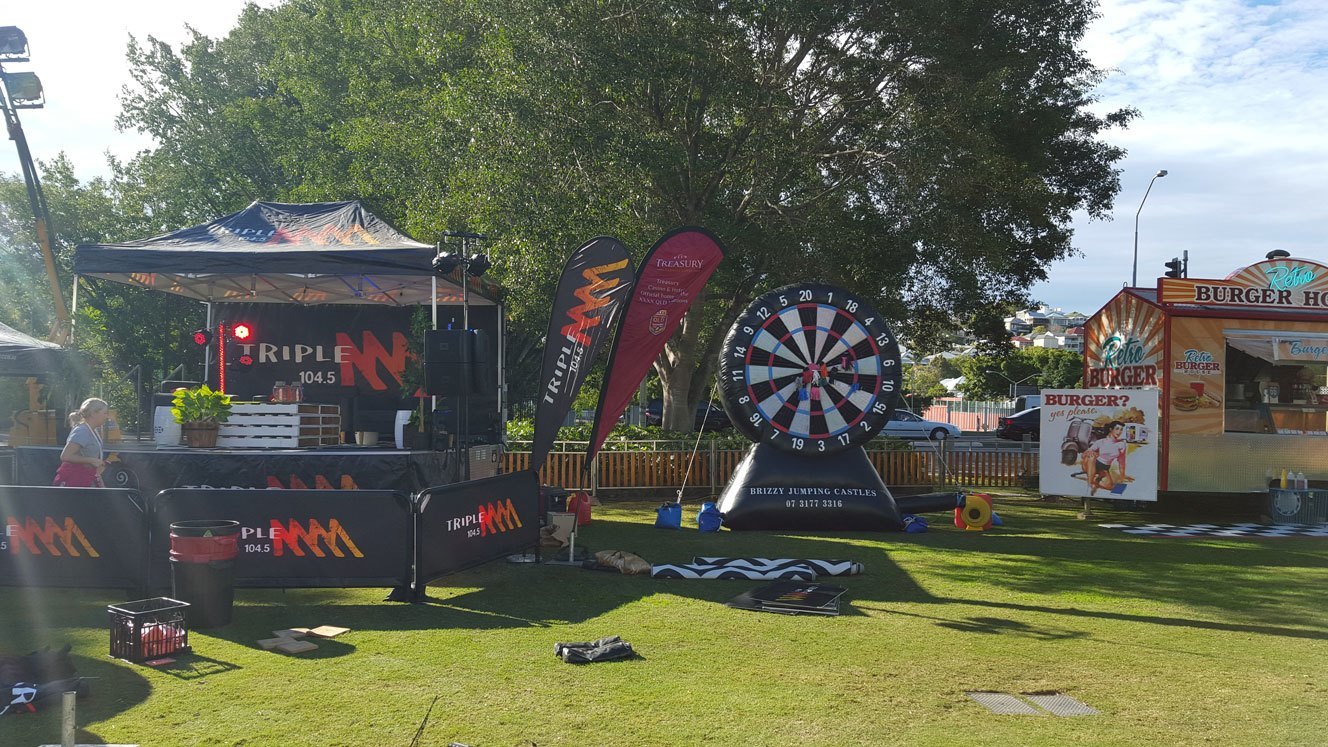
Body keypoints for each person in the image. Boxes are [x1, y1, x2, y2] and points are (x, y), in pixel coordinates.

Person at [53, 398, 111, 488]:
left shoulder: (93, 430)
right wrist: (92, 460)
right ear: (93, 414)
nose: (107, 416)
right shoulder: (82, 431)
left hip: (88, 478)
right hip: (76, 480)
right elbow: (65, 456)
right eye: (104, 413)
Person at [1081, 420, 1133, 497]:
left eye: (1121, 430)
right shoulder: (1101, 442)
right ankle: (1090, 483)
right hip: (1090, 464)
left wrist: (1122, 476)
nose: (1119, 432)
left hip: (1104, 468)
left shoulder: (1122, 444)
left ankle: (1095, 479)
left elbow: (1122, 462)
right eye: (1117, 429)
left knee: (1110, 486)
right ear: (1111, 429)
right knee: (1092, 456)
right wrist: (1090, 452)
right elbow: (1084, 455)